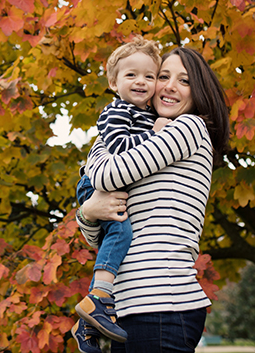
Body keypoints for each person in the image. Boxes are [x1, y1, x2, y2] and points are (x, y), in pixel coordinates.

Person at [74, 46, 230, 353]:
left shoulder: (188, 127)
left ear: (197, 91)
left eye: (184, 80)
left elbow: (105, 176)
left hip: (161, 303)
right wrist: (89, 211)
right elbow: (98, 238)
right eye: (163, 76)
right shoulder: (148, 133)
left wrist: (97, 151)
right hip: (126, 308)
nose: (170, 86)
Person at [71, 38, 170, 350]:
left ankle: (87, 324)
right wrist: (154, 137)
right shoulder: (117, 111)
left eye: (149, 76)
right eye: (131, 75)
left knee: (118, 237)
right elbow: (118, 150)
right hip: (96, 185)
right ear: (114, 82)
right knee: (121, 234)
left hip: (114, 186)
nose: (141, 81)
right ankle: (98, 298)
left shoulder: (147, 113)